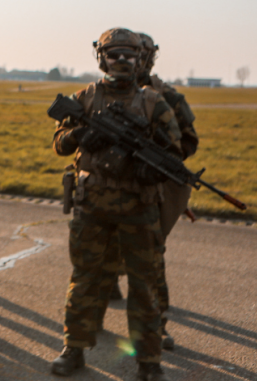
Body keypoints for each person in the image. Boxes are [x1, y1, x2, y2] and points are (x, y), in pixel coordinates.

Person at [50, 28, 182, 381]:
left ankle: (149, 362)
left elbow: (175, 154)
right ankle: (73, 349)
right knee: (85, 279)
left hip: (140, 209)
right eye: (114, 54)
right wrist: (81, 135)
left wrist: (146, 167)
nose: (121, 61)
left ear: (140, 59)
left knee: (144, 286)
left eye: (129, 55)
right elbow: (60, 142)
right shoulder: (86, 98)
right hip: (92, 207)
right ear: (101, 57)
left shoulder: (154, 103)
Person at [93, 32, 200, 351]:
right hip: (106, 185)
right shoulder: (101, 92)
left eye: (139, 53)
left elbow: (187, 143)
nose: (128, 60)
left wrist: (152, 154)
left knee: (150, 257)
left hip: (149, 187)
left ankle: (157, 325)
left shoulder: (167, 97)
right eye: (120, 54)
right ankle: (91, 313)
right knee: (98, 251)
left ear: (148, 57)